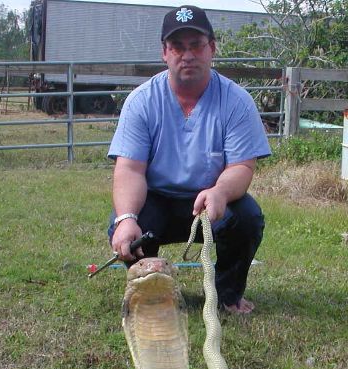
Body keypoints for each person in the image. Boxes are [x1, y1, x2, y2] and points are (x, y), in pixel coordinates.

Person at [108, 5, 271, 314]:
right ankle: (151, 294)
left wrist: (221, 191)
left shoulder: (236, 101)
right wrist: (126, 218)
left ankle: (227, 297)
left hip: (210, 203)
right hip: (157, 200)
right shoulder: (141, 101)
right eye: (177, 47)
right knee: (125, 225)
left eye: (196, 45)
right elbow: (129, 169)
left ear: (212, 48)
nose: (188, 55)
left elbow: (242, 166)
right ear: (164, 53)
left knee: (247, 217)